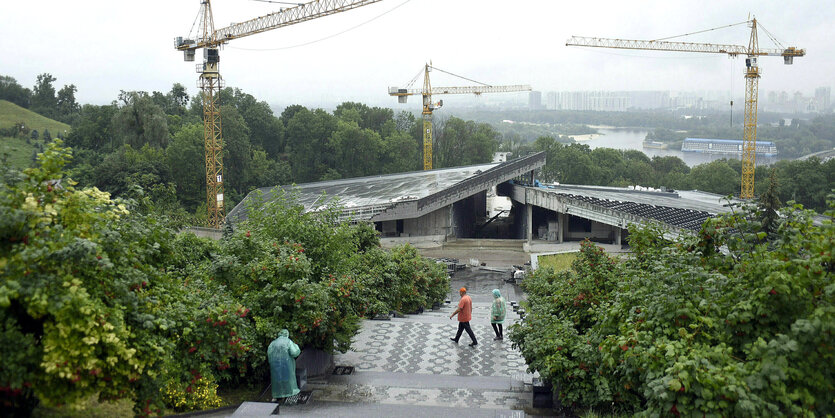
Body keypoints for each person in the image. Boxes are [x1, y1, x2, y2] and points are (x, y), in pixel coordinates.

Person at [267, 329, 301, 401]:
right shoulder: (288, 341)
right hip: (286, 364)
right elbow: (294, 353)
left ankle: (276, 395)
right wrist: (296, 346)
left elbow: (269, 354)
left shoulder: (273, 343)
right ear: (287, 334)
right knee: (288, 379)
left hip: (275, 364)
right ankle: (289, 393)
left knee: (276, 379)